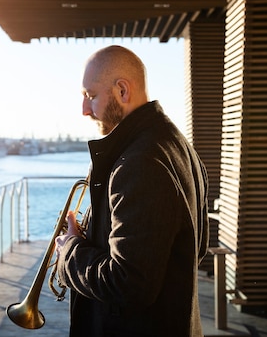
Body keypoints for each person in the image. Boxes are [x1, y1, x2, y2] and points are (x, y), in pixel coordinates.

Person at [54, 45, 209, 337]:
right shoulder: (178, 145)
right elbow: (192, 250)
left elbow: (127, 283)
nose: (85, 110)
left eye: (91, 96)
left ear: (122, 90)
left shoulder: (140, 163)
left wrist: (70, 251)